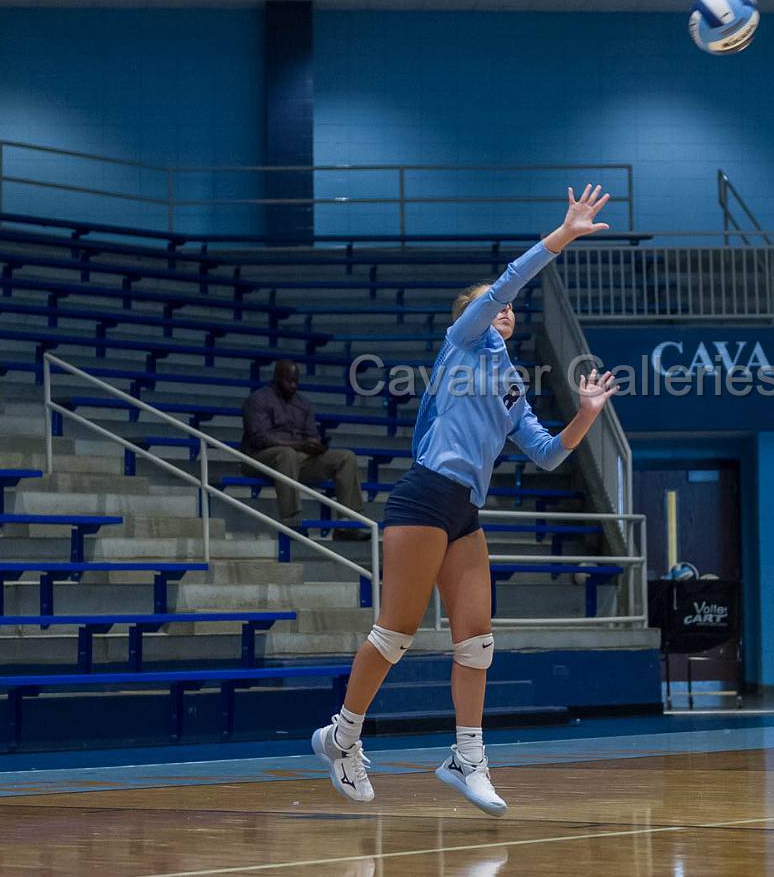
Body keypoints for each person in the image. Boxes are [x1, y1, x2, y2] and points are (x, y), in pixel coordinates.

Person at [311, 184, 619, 816]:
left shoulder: (511, 384)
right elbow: (508, 281)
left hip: (463, 513)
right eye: (492, 306)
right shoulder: (461, 343)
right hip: (424, 496)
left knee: (477, 642)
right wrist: (562, 235)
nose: (503, 310)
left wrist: (586, 414)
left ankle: (467, 758)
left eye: (504, 309)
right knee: (395, 633)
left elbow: (549, 454)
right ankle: (341, 736)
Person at [241, 359, 367, 541]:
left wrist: (316, 445)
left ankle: (348, 523)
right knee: (286, 454)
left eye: (296, 381)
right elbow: (260, 439)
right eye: (288, 381)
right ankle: (291, 521)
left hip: (297, 459)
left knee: (346, 457)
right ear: (277, 377)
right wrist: (299, 445)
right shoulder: (258, 400)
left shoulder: (303, 403)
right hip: (259, 459)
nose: (293, 385)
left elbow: (310, 434)